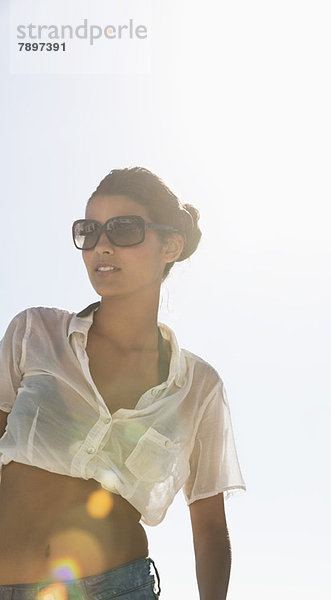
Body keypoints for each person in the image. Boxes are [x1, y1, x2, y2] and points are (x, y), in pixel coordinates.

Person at [0, 167, 246, 600]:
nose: (102, 245)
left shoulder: (198, 387)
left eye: (124, 229)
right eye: (89, 231)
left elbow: (209, 527)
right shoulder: (35, 333)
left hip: (120, 589)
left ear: (171, 245)